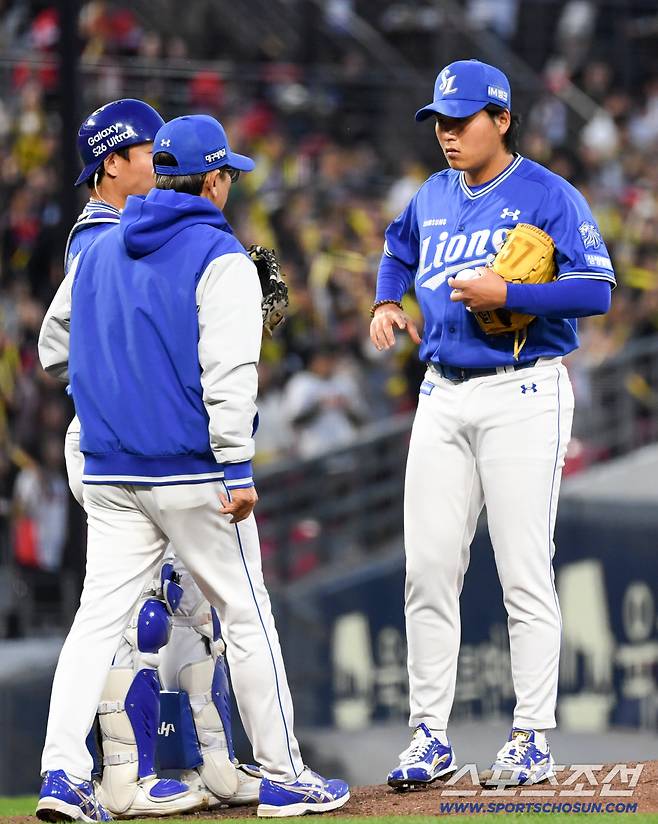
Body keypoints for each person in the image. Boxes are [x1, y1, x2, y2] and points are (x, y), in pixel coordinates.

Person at [36, 113, 350, 821]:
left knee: (95, 621)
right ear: (213, 181)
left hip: (112, 472)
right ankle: (285, 774)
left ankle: (62, 773)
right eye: (227, 175)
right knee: (246, 613)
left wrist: (123, 367)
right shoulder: (222, 257)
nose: (229, 185)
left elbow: (54, 347)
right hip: (190, 470)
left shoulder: (103, 246)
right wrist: (237, 469)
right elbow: (230, 380)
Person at [370, 59, 614, 788]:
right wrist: (388, 302)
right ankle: (428, 736)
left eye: (461, 119)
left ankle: (532, 736)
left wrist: (509, 290)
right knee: (428, 571)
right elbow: (395, 248)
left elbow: (596, 288)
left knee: (523, 571)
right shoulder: (431, 196)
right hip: (441, 393)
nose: (446, 133)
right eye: (439, 121)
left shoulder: (548, 193)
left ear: (501, 119)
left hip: (523, 392)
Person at [49, 98, 259, 819]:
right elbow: (56, 348)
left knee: (187, 612)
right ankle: (118, 779)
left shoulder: (135, 229)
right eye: (148, 150)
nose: (161, 161)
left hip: (127, 439)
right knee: (136, 614)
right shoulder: (104, 233)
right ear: (114, 161)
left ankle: (215, 763)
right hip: (122, 441)